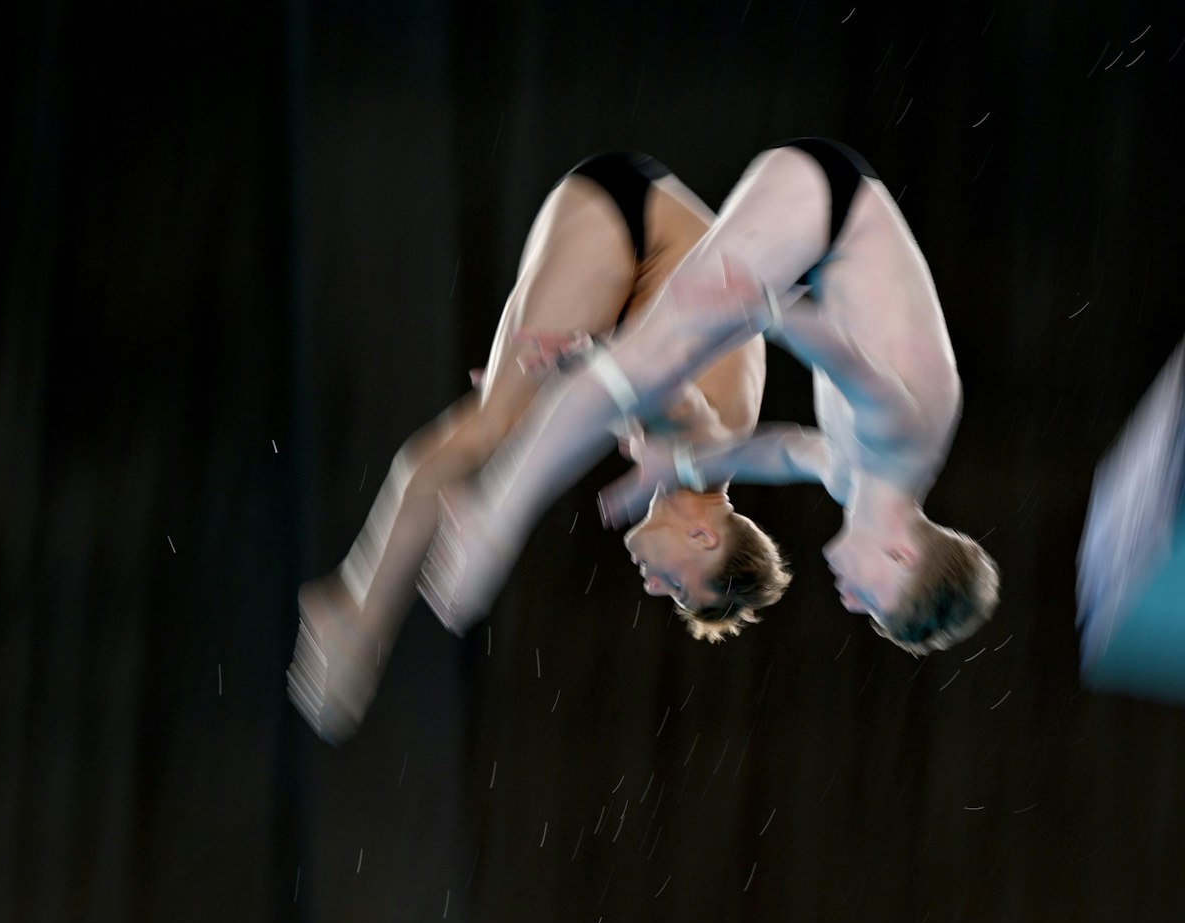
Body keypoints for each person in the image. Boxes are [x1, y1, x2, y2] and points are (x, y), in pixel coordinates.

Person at [422, 138, 998, 655]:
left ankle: (510, 485)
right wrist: (771, 310)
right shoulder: (905, 443)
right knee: (654, 360)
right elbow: (851, 365)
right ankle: (495, 516)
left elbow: (781, 452)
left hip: (821, 236)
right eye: (872, 602)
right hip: (830, 203)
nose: (850, 602)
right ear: (903, 556)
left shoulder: (858, 481)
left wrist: (680, 464)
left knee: (650, 362)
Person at [290, 152, 789, 744]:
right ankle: (355, 607)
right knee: (489, 430)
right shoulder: (710, 453)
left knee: (499, 427)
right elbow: (677, 398)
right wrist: (584, 355)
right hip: (633, 222)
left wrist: (559, 379)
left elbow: (639, 384)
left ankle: (358, 607)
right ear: (703, 537)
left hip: (639, 253)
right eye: (679, 585)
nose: (655, 588)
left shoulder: (690, 466)